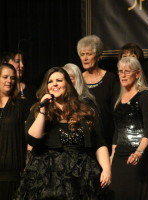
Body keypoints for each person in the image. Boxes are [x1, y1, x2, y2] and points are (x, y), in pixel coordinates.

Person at [14, 67, 111, 199]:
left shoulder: (85, 110)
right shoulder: (39, 109)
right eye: (50, 81)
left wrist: (106, 169)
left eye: (59, 80)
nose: (54, 84)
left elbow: (100, 142)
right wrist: (44, 110)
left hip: (80, 174)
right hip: (49, 176)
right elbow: (32, 139)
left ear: (68, 84)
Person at [109, 57, 148, 200]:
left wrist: (139, 152)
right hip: (120, 155)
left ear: (137, 74)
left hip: (139, 156)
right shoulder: (118, 98)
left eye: (127, 71)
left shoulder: (145, 95)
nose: (123, 75)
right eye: (120, 71)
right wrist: (112, 156)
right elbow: (117, 130)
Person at [77, 35, 118, 151]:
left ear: (98, 56)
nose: (85, 58)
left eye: (89, 54)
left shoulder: (110, 78)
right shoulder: (78, 79)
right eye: (82, 54)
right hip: (84, 136)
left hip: (107, 134)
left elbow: (115, 109)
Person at [0, 63, 29, 200]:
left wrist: (27, 162)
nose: (9, 81)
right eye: (5, 77)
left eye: (12, 78)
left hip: (13, 172)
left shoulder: (21, 105)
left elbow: (28, 137)